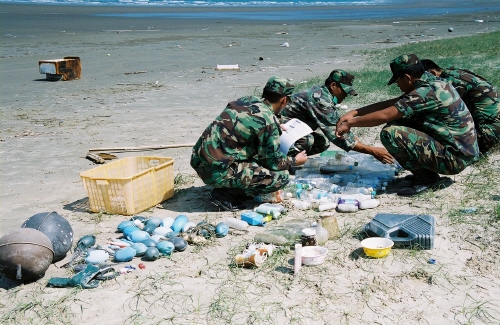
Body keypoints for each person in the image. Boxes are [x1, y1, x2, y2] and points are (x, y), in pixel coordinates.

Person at [335, 54, 479, 196]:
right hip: (462, 152)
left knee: (391, 133)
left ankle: (427, 179)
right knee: (400, 121)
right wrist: (355, 112)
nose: (397, 85)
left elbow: (385, 115)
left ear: (408, 77)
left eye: (398, 80)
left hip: (455, 159)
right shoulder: (434, 83)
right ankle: (425, 173)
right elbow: (394, 103)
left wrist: (350, 124)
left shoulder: (425, 92)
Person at [190, 76, 308, 211]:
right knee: (281, 177)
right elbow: (273, 162)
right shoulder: (268, 121)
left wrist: (274, 125)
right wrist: (295, 161)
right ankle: (224, 194)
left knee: (258, 159)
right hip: (215, 171)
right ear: (284, 100)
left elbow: (245, 123)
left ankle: (229, 184)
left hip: (199, 160)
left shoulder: (247, 100)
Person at [281, 69, 394, 164]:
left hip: (290, 129)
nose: (345, 95)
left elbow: (340, 128)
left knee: (321, 142)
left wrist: (366, 147)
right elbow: (336, 135)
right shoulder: (320, 100)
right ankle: (280, 162)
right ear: (333, 85)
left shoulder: (323, 96)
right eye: (344, 91)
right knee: (307, 140)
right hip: (276, 129)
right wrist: (372, 151)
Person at [421, 59, 500, 154]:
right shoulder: (455, 73)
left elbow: (439, 112)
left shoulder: (449, 82)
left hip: (490, 130)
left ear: (432, 73)